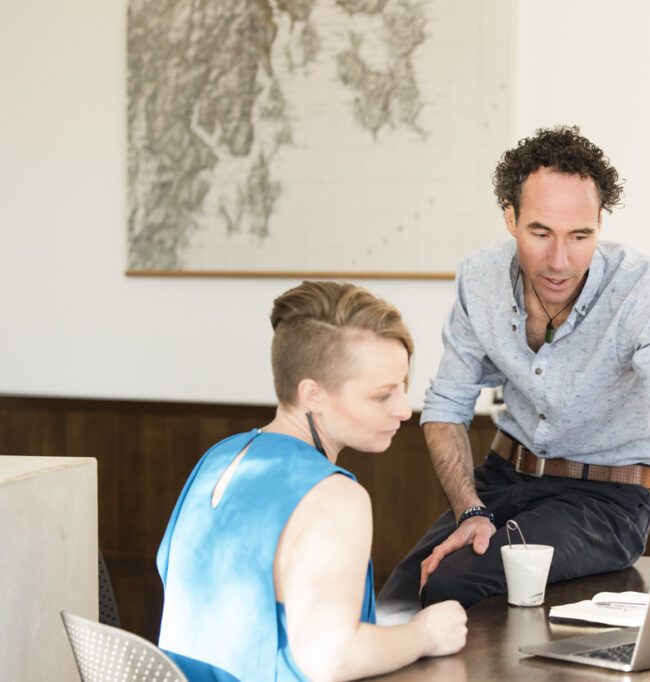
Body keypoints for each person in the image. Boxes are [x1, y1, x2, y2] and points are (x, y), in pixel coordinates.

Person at [378, 125, 650, 610]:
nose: (560, 261)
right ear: (510, 218)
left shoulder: (640, 288)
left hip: (607, 501)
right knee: (395, 601)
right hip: (504, 477)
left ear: (600, 224)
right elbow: (445, 409)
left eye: (580, 236)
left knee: (450, 582)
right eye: (540, 233)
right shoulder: (479, 278)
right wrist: (469, 508)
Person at [156, 281, 467, 682]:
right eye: (381, 395)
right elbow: (331, 658)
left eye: (403, 388)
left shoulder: (219, 457)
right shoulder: (335, 496)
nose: (403, 410)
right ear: (313, 395)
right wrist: (424, 634)